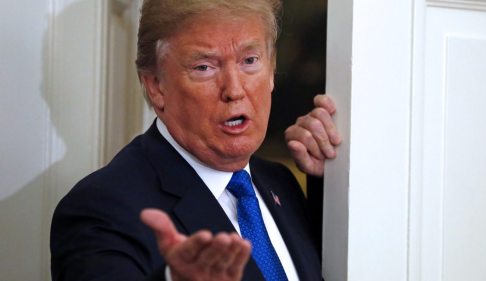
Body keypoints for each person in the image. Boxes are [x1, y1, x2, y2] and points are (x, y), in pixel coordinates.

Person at [50, 0, 341, 280]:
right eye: (205, 67)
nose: (234, 90)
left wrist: (332, 182)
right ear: (156, 86)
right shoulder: (100, 211)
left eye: (249, 61)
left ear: (272, 70)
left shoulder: (282, 184)